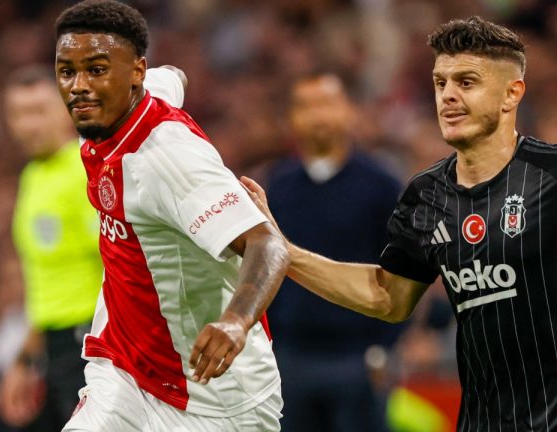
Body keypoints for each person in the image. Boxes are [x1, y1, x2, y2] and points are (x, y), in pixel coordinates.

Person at [242, 16, 557, 431]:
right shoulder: (426, 194)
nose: (447, 96)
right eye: (441, 82)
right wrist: (287, 252)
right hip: (483, 420)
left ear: (511, 93)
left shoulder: (550, 176)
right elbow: (388, 297)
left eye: (467, 82)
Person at [53, 1, 290, 431]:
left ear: (136, 72)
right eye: (67, 71)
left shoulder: (167, 159)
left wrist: (236, 321)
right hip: (125, 372)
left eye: (97, 70)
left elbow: (267, 243)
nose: (78, 87)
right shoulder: (132, 99)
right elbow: (174, 77)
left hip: (215, 399)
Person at [265, 72, 403, 431]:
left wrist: (384, 347)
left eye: (326, 104)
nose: (317, 116)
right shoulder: (277, 187)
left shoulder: (382, 186)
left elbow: (404, 273)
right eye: (305, 106)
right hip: (291, 355)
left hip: (357, 356)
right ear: (291, 118)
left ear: (349, 111)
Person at [0, 65, 103, 431]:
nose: (28, 125)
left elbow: (118, 262)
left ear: (66, 109)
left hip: (94, 342)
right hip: (56, 345)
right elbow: (45, 283)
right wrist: (26, 358)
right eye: (19, 114)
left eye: (38, 111)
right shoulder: (33, 176)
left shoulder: (86, 170)